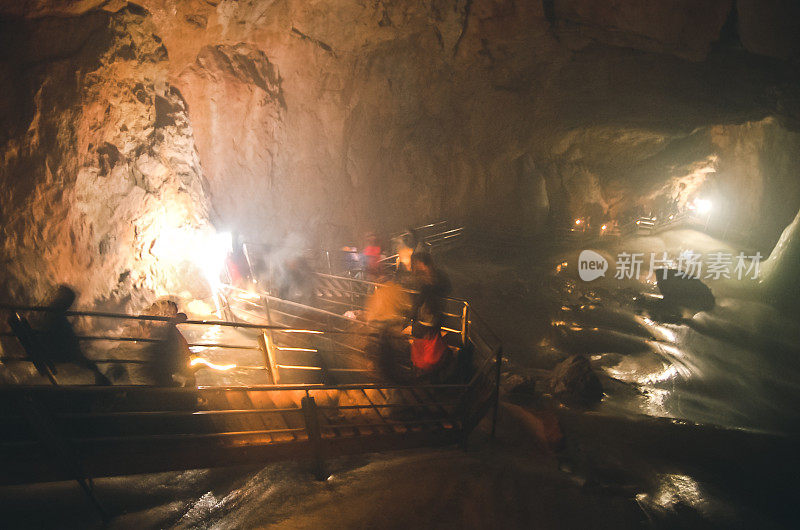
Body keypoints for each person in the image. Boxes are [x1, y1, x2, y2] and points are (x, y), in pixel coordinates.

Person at [38, 285, 111, 385]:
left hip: (64, 353)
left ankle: (103, 387)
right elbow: (67, 344)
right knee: (93, 367)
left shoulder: (52, 317)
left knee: (93, 367)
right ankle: (105, 390)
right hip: (64, 355)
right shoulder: (58, 320)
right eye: (68, 303)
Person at [408, 252, 451, 374]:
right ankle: (425, 368)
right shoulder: (436, 276)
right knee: (427, 345)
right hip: (431, 317)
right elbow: (446, 289)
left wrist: (412, 314)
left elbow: (420, 299)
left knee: (422, 345)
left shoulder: (427, 279)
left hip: (427, 318)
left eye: (415, 263)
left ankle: (422, 368)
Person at [144, 301, 195, 387]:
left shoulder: (168, 329)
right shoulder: (165, 332)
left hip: (172, 372)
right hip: (170, 375)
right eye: (172, 313)